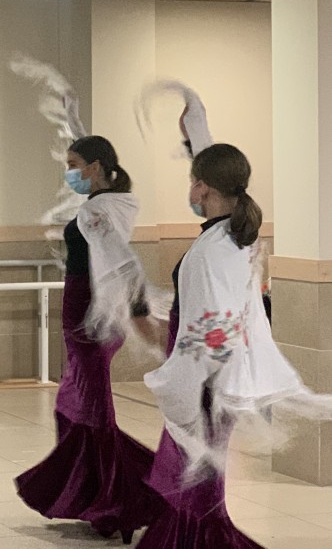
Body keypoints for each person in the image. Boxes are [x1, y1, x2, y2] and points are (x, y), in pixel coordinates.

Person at [16, 135, 158, 544]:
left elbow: (124, 261)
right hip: (84, 317)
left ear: (94, 167)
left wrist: (140, 311)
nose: (69, 173)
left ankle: (123, 504)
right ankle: (94, 497)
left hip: (89, 322)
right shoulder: (109, 201)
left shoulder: (97, 210)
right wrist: (73, 118)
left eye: (74, 164)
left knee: (93, 414)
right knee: (73, 407)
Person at [138, 142, 268, 548]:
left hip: (204, 379)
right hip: (219, 375)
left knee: (193, 480)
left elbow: (204, 329)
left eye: (192, 181)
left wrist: (181, 386)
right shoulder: (233, 239)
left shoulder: (209, 251)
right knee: (199, 477)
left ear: (202, 188)